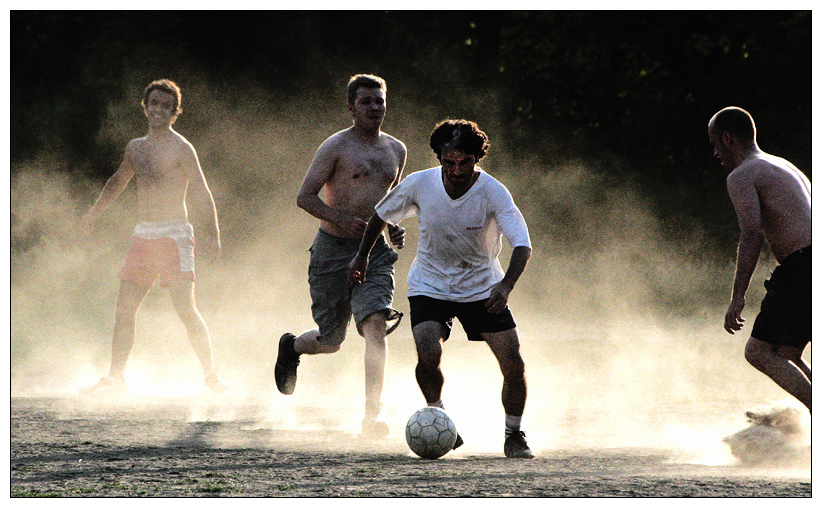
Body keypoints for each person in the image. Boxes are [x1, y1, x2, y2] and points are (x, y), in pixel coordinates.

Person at [349, 119, 535, 458]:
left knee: (513, 365)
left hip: (482, 287)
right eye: (449, 161)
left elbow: (523, 245)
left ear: (477, 158)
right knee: (428, 355)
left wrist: (505, 287)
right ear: (439, 157)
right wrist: (361, 256)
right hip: (429, 285)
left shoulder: (493, 192)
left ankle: (514, 435)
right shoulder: (420, 184)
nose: (456, 169)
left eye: (464, 161)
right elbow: (381, 215)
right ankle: (439, 414)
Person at [275, 74, 407, 438]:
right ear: (350, 108)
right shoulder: (335, 147)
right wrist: (340, 219)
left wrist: (394, 227)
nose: (374, 108)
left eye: (379, 101)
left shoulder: (397, 150)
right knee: (331, 341)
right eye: (365, 102)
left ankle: (370, 417)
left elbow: (392, 203)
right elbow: (305, 196)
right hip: (332, 251)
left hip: (375, 253)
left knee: (376, 328)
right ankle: (293, 346)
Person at [80, 79, 227, 395]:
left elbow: (201, 191)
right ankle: (116, 378)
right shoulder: (136, 147)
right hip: (144, 235)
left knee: (184, 308)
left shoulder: (181, 147)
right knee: (124, 309)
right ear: (145, 107)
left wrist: (213, 235)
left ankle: (211, 375)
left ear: (175, 113)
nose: (158, 110)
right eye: (154, 104)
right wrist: (94, 212)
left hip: (174, 234)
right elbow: (117, 181)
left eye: (166, 106)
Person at [709, 106, 811, 413]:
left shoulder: (742, 175)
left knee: (758, 352)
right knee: (787, 351)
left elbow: (751, 234)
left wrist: (737, 297)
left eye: (715, 144)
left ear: (728, 138)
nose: (716, 153)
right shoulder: (780, 164)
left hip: (803, 264)